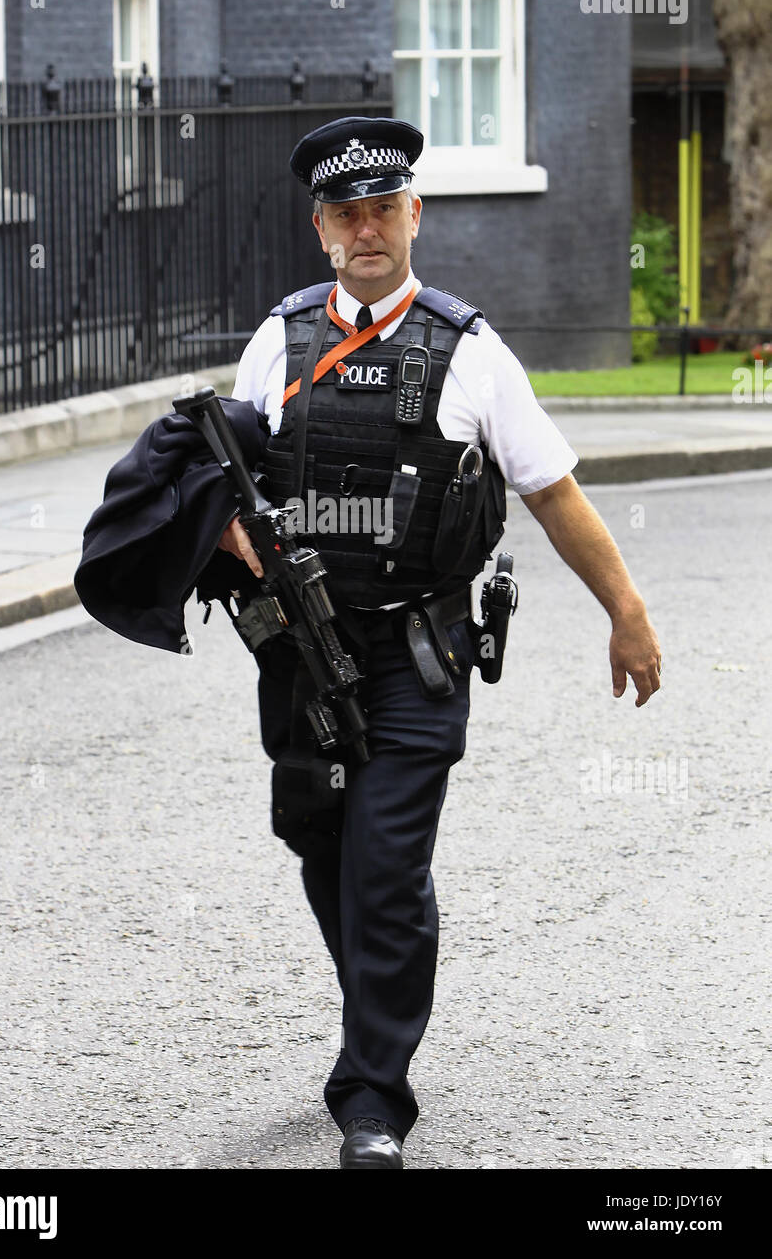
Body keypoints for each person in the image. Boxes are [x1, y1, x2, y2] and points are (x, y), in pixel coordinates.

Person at [220, 116, 661, 1169]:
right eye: (344, 212)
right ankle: (381, 980)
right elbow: (217, 485)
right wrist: (219, 532)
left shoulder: (469, 351)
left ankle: (372, 1098)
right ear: (320, 227)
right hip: (300, 660)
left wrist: (625, 608)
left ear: (412, 215)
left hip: (417, 656)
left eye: (383, 208)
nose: (365, 229)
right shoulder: (274, 345)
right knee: (321, 847)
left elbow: (550, 491)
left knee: (380, 866)